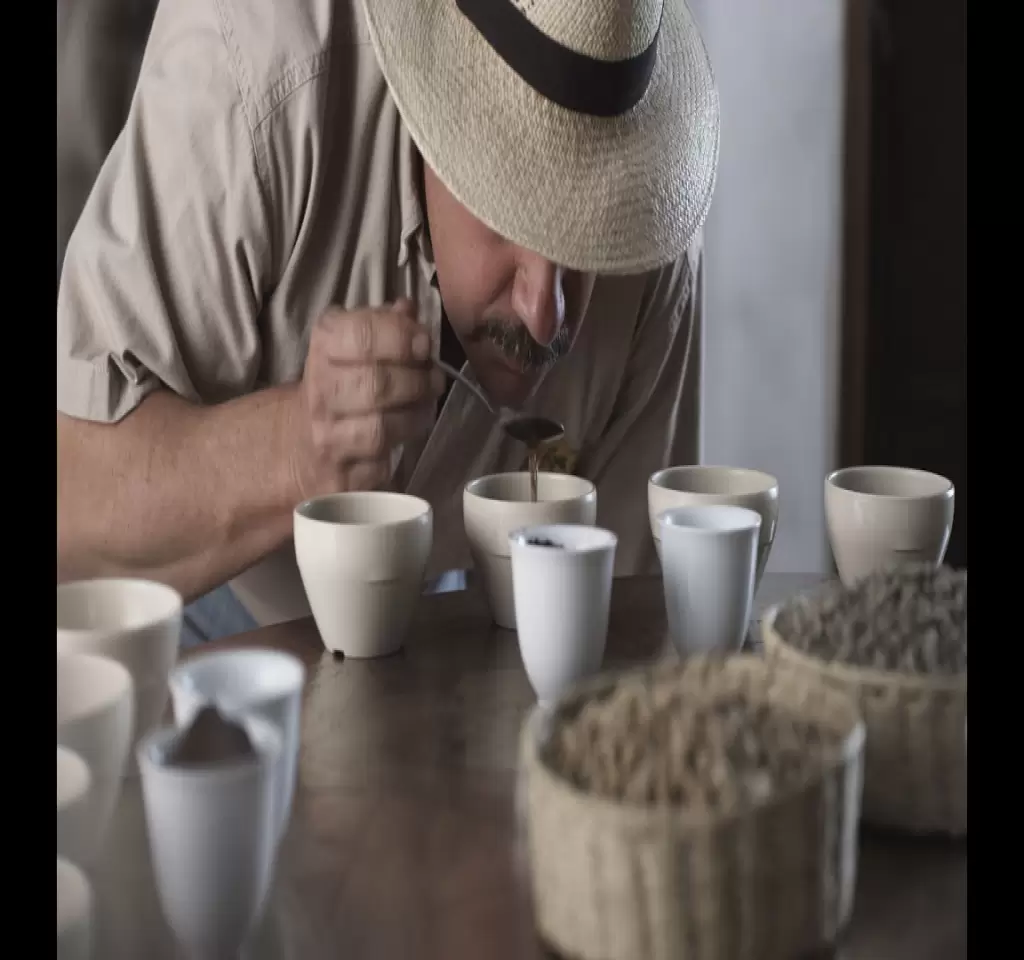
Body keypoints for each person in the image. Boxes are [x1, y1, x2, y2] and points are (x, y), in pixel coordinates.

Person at [56, 0, 720, 645]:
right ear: (429, 108)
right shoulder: (255, 64)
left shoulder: (649, 233)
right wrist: (293, 451)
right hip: (213, 605)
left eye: (584, 236)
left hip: (455, 616)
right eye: (511, 208)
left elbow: (632, 624)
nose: (544, 316)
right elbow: (72, 504)